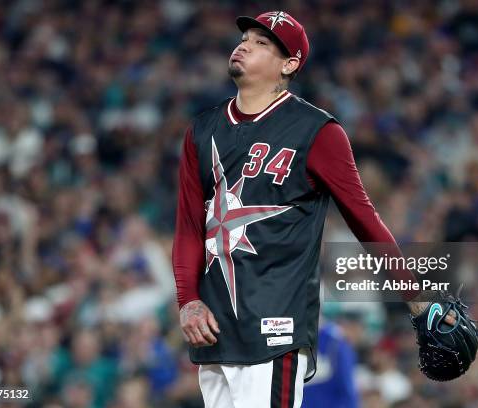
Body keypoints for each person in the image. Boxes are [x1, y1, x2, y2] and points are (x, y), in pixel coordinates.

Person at [171, 10, 449, 408]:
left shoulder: (317, 131)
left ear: (289, 64)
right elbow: (188, 227)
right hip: (216, 334)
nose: (245, 44)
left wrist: (416, 297)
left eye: (262, 42)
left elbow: (365, 220)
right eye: (246, 37)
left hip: (275, 327)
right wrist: (188, 300)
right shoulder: (201, 130)